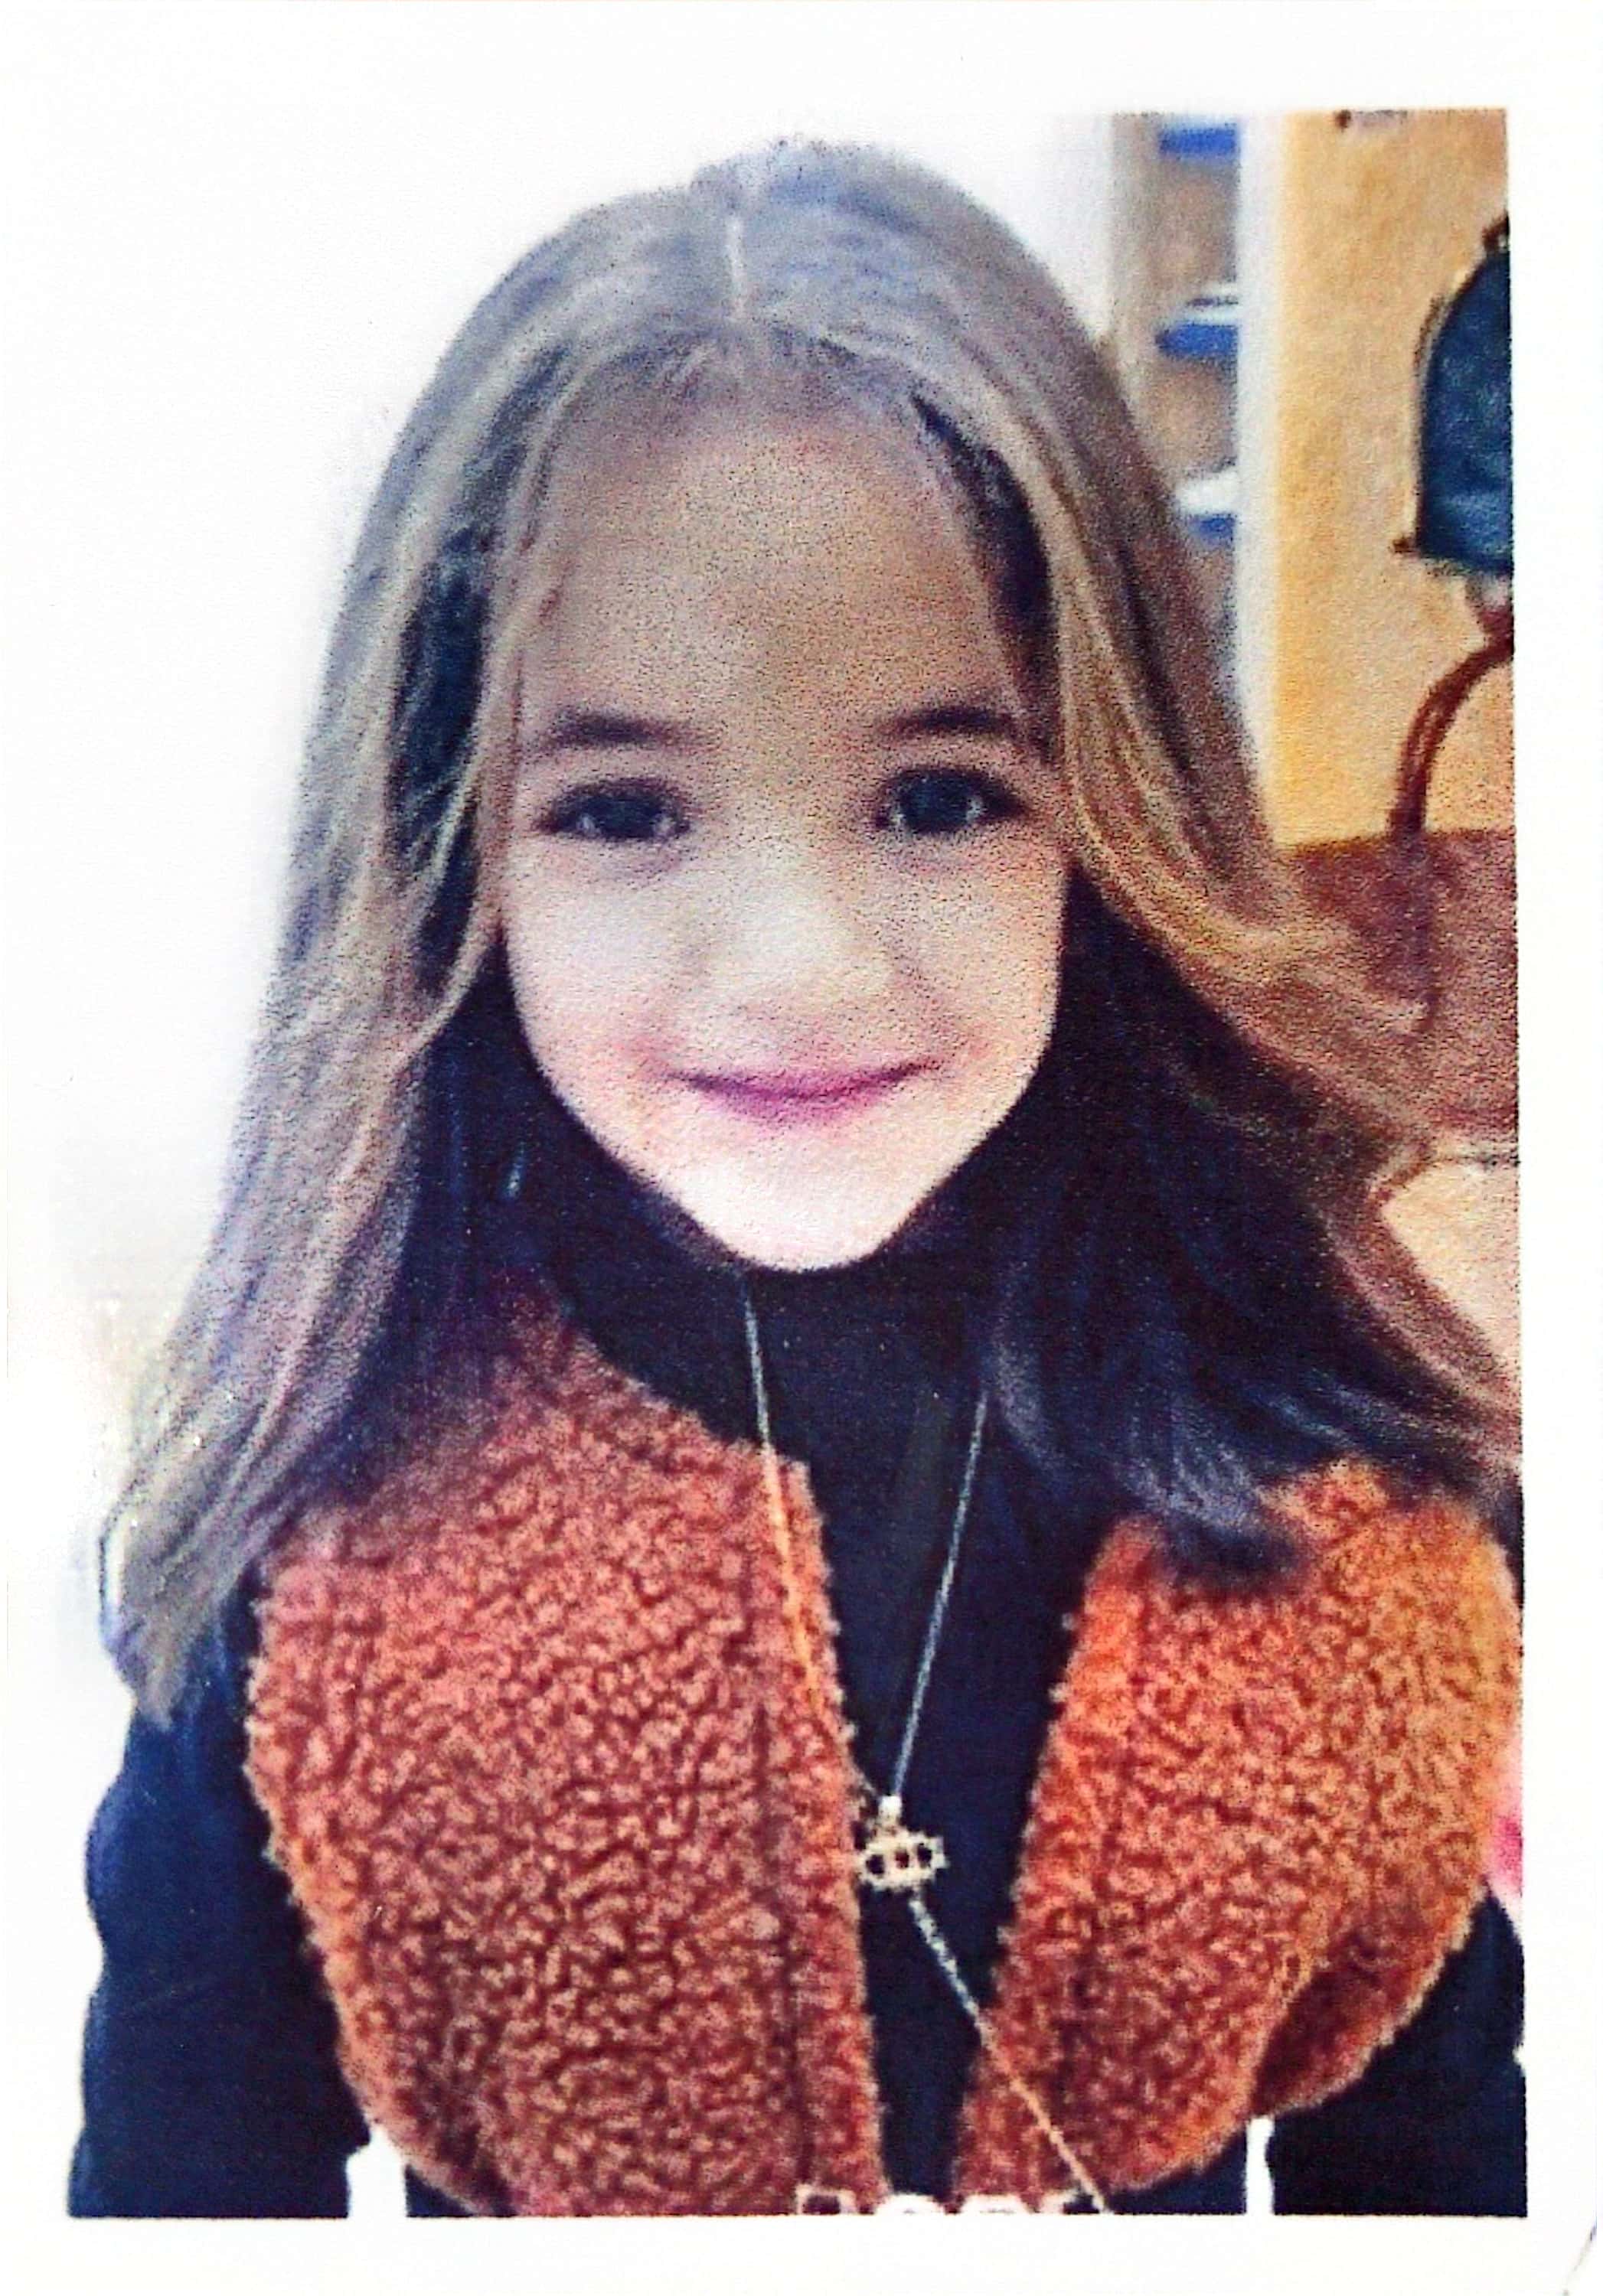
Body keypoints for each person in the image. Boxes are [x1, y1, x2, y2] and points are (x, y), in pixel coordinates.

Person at [69, 140, 1523, 2219]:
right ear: (451, 856)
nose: (797, 967)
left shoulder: (1342, 1493)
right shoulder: (313, 1538)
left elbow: (1444, 2162)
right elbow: (182, 2191)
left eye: (939, 797)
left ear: (1113, 822)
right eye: (623, 809)